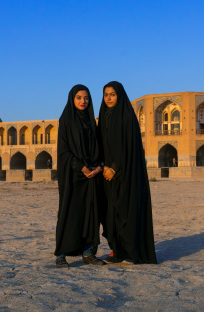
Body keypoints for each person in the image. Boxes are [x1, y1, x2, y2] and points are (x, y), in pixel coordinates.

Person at [98, 81, 157, 264]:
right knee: (110, 212)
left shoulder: (127, 117)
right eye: (106, 94)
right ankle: (117, 251)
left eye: (113, 94)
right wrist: (103, 167)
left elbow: (128, 147)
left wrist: (114, 168)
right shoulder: (103, 116)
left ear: (120, 96)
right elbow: (99, 146)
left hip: (125, 173)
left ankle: (131, 252)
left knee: (125, 211)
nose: (109, 98)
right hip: (107, 174)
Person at [54, 84, 105, 268]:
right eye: (79, 98)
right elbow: (64, 152)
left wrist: (98, 167)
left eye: (86, 98)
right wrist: (81, 167)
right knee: (69, 213)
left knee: (91, 214)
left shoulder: (92, 121)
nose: (83, 101)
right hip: (73, 176)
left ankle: (88, 252)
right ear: (72, 99)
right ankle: (61, 254)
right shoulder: (66, 120)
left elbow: (99, 148)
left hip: (91, 176)